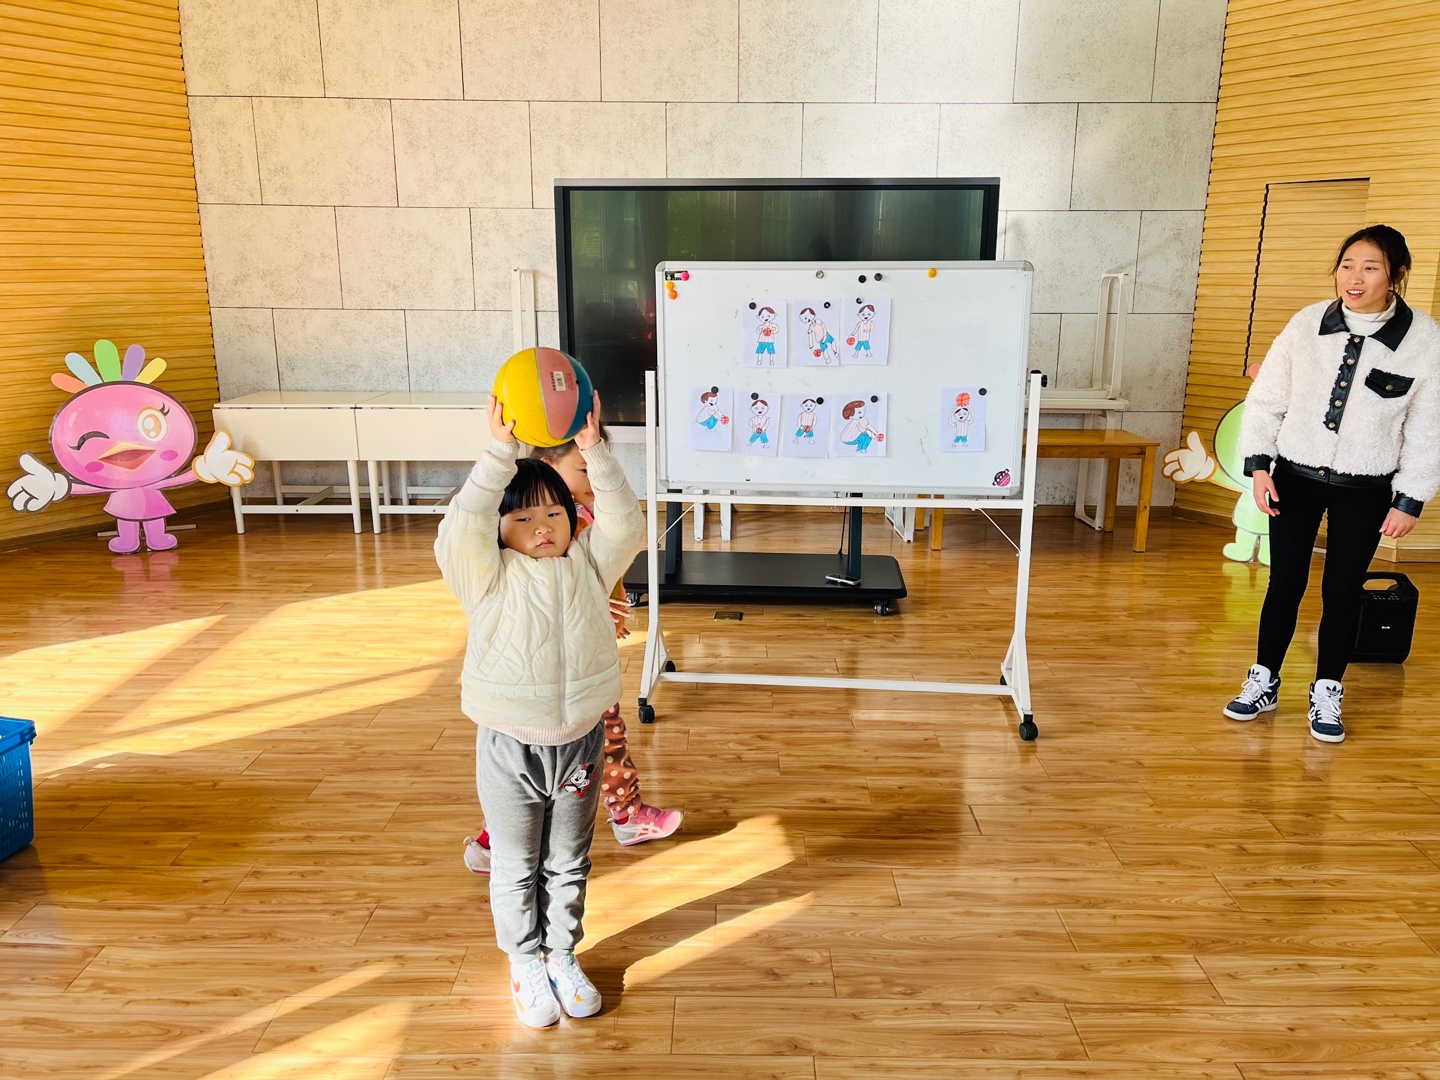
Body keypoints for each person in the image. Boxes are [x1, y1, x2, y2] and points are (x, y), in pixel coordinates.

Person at [435, 393, 644, 1027]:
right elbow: (461, 527)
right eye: (523, 517)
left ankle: (562, 954)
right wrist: (499, 453)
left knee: (570, 862)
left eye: (554, 512)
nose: (543, 526)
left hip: (580, 741)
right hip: (509, 747)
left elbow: (625, 523)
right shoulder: (484, 574)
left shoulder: (589, 563)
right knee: (517, 864)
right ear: (499, 528)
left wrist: (594, 450)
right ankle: (525, 961)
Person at [1227, 225, 1440, 743]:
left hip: (1365, 488)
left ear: (1396, 275)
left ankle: (1327, 689)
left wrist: (1410, 499)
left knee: (1342, 591)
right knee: (1284, 583)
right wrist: (1259, 467)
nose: (1354, 277)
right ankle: (1264, 679)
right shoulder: (1306, 323)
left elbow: (1428, 427)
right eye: (1347, 265)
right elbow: (1267, 399)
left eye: (1370, 267)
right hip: (1294, 477)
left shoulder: (1425, 339)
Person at [463, 428, 683, 874]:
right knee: (539, 764)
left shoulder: (585, 517)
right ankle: (501, 839)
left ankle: (621, 814)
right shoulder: (556, 525)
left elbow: (607, 563)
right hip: (542, 683)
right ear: (549, 468)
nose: (589, 478)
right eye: (582, 468)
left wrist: (608, 610)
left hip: (582, 670)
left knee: (596, 746)